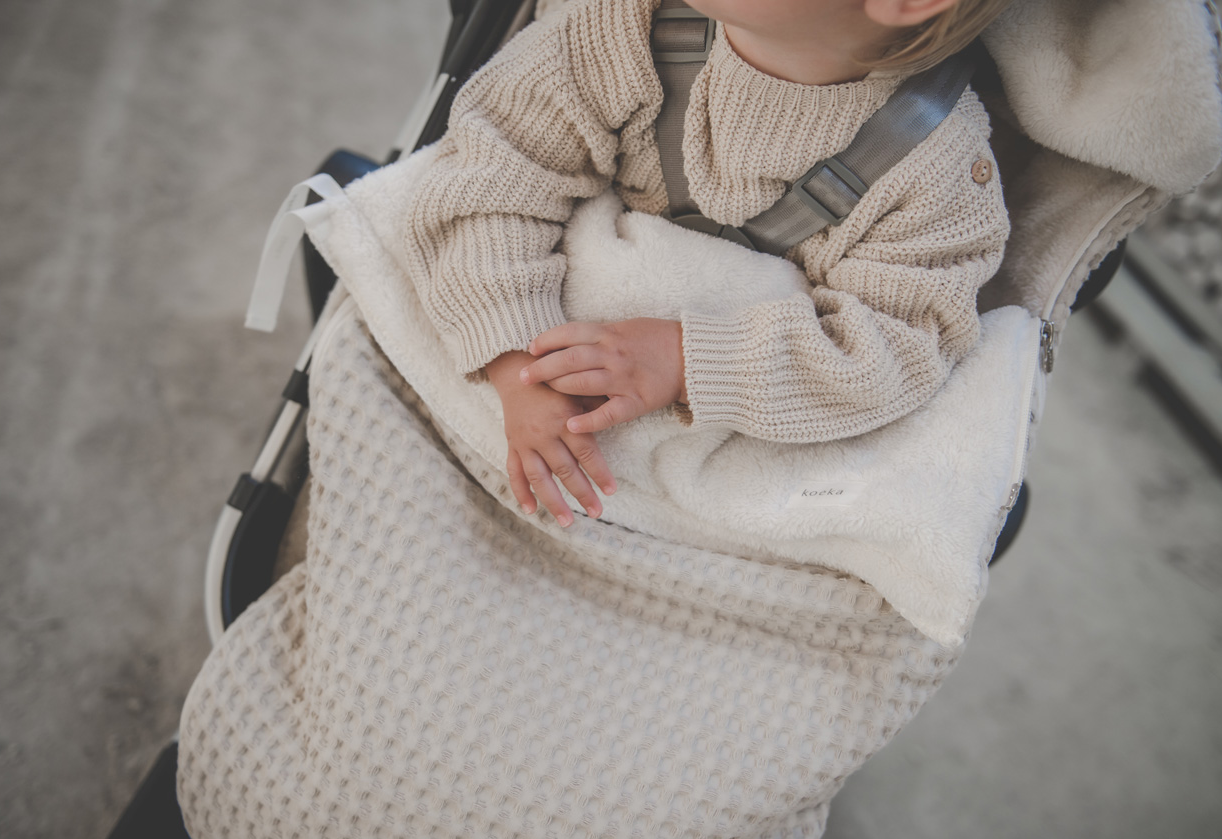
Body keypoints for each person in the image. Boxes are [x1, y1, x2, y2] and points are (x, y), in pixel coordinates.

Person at [404, 0, 1012, 529]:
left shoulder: (939, 175)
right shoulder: (619, 29)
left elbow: (894, 350)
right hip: (540, 375)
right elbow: (491, 171)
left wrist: (690, 361)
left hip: (722, 451)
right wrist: (517, 366)